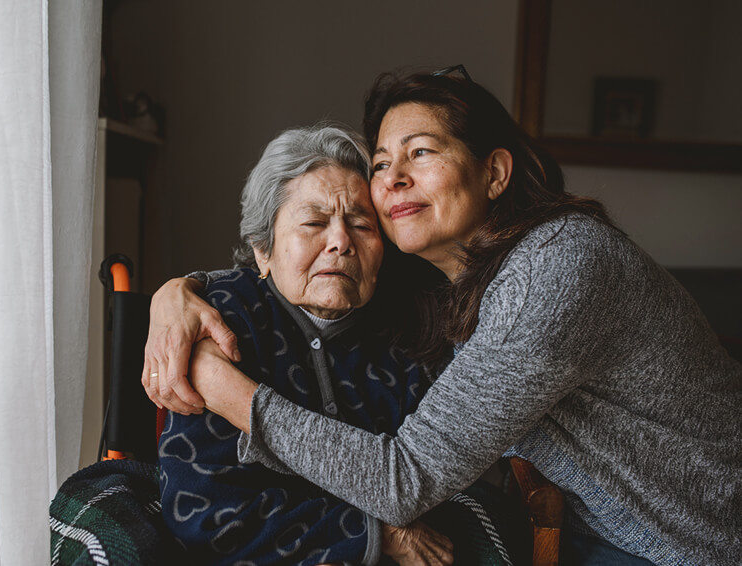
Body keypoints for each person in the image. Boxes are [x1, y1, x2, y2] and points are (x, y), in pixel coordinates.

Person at [144, 67, 742, 565]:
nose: (394, 177)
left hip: (686, 537)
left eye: (421, 152)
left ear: (495, 173)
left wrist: (221, 385)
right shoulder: (448, 280)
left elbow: (404, 479)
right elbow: (287, 268)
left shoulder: (553, 272)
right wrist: (176, 291)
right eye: (381, 163)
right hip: (602, 519)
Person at [155, 124, 468, 565]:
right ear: (263, 250)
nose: (341, 242)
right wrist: (374, 534)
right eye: (314, 223)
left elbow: (429, 488)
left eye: (361, 224)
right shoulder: (219, 321)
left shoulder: (413, 329)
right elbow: (207, 516)